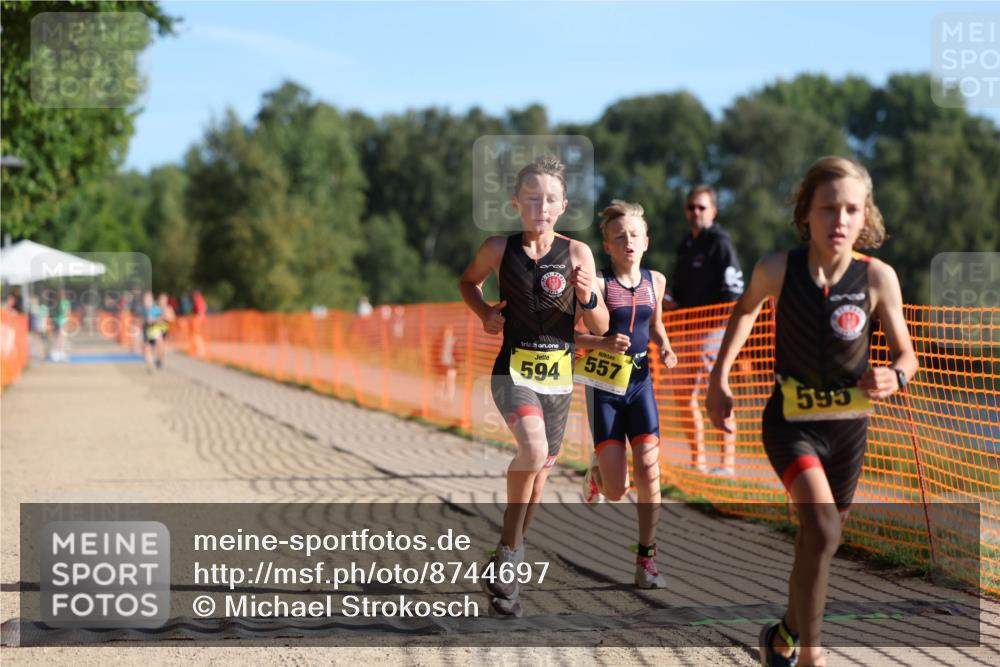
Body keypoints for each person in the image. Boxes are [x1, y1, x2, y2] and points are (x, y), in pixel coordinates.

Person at [705, 156, 917, 667]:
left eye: (851, 209)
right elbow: (745, 310)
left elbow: (907, 354)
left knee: (816, 543)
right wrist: (719, 378)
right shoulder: (777, 268)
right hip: (790, 422)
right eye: (828, 208)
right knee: (823, 531)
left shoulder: (877, 278)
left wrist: (896, 375)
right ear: (806, 213)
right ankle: (811, 657)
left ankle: (781, 637)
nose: (839, 220)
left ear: (866, 216)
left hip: (849, 431)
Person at [458, 155, 609, 617]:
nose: (540, 207)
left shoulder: (579, 254)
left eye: (549, 199)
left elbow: (600, 326)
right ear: (516, 203)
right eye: (531, 199)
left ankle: (508, 555)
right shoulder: (499, 249)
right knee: (532, 450)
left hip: (558, 379)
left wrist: (587, 295)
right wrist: (484, 313)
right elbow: (468, 282)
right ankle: (508, 558)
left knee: (539, 476)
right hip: (513, 372)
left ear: (562, 205)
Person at [574, 200, 678, 589]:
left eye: (634, 235)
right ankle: (599, 472)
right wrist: (599, 343)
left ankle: (647, 559)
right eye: (619, 237)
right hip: (604, 387)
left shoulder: (658, 281)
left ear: (646, 241)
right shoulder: (598, 285)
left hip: (640, 384)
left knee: (650, 470)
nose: (628, 241)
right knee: (618, 491)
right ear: (607, 246)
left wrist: (665, 347)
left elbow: (656, 325)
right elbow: (568, 335)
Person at [663, 185, 744, 475]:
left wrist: (721, 325)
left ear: (713, 211)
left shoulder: (719, 243)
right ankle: (698, 461)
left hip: (712, 329)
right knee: (683, 395)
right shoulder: (687, 244)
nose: (695, 212)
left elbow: (734, 289)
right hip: (686, 330)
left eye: (701, 207)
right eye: (691, 207)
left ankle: (727, 465)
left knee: (716, 391)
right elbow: (682, 292)